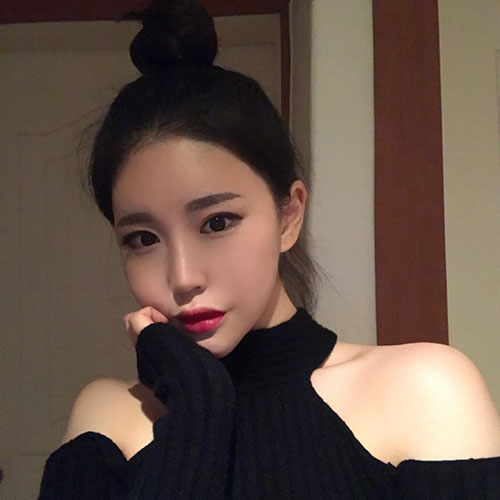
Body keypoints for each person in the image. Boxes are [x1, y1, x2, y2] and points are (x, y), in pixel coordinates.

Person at [38, 1, 500, 498]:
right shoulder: (108, 416)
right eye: (143, 239)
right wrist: (199, 408)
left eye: (217, 222)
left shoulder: (423, 391)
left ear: (288, 216)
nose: (184, 277)